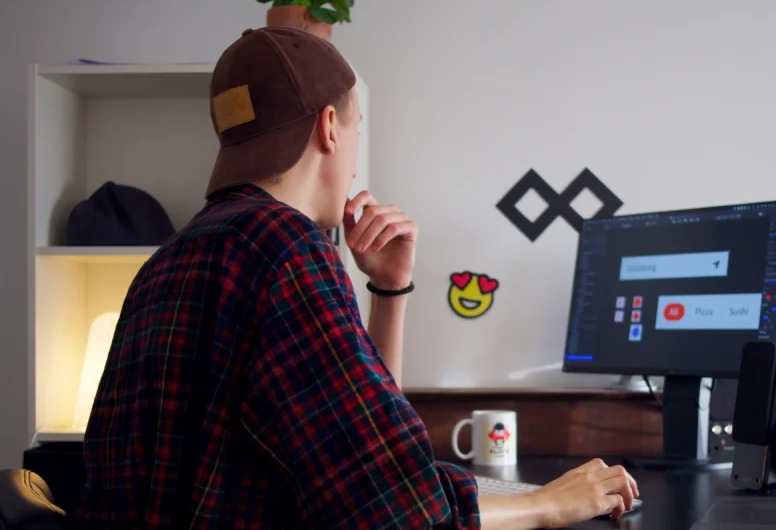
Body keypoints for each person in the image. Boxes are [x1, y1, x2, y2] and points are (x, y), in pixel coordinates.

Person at [75, 27, 639, 529]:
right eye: (357, 129)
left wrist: (389, 292)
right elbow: (397, 511)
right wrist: (550, 503)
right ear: (328, 128)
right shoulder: (285, 249)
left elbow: (369, 452)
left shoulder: (168, 260)